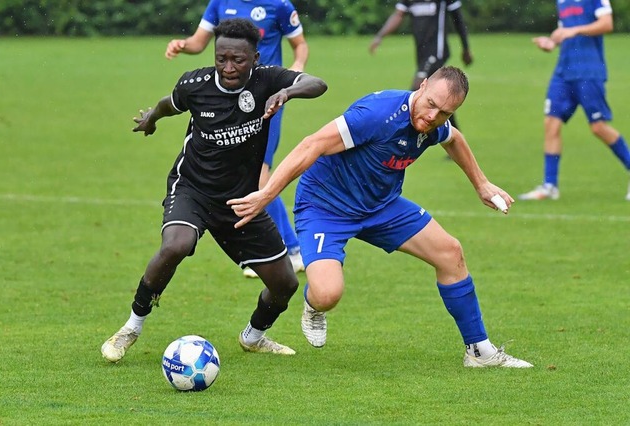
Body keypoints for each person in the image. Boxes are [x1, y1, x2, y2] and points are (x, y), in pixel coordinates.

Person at [228, 66, 533, 368]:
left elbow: (454, 140)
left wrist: (481, 183)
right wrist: (266, 194)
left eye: (444, 113)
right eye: (431, 105)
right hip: (326, 207)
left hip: (381, 207)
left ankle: (479, 352)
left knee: (450, 253)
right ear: (423, 86)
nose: (432, 117)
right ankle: (313, 306)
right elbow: (312, 144)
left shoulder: (435, 123)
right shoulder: (376, 114)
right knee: (327, 294)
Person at [101, 18, 327, 363]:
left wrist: (288, 91)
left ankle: (253, 337)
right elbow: (169, 103)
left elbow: (317, 83)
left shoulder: (269, 79)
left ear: (255, 56)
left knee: (285, 284)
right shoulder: (197, 84)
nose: (228, 67)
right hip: (192, 188)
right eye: (221, 58)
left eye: (237, 59)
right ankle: (131, 328)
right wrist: (152, 118)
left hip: (240, 201)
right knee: (177, 244)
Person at [165, 0, 310, 276]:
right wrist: (182, 45)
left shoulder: (278, 5)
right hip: (228, 98)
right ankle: (270, 250)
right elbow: (199, 42)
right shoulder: (220, 3)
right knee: (243, 176)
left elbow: (300, 44)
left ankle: (290, 249)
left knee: (261, 177)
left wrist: (296, 69)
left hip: (265, 99)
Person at [519, 0, 630, 201]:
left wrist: (575, 30)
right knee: (551, 124)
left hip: (589, 71)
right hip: (563, 72)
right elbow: (564, 31)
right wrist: (551, 43)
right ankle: (550, 186)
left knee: (598, 127)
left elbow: (607, 24)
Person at [369, 0, 473, 132]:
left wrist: (466, 48)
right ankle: (455, 140)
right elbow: (398, 15)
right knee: (441, 103)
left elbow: (458, 19)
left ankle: (396, 136)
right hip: (422, 54)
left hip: (436, 52)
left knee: (415, 94)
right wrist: (380, 36)